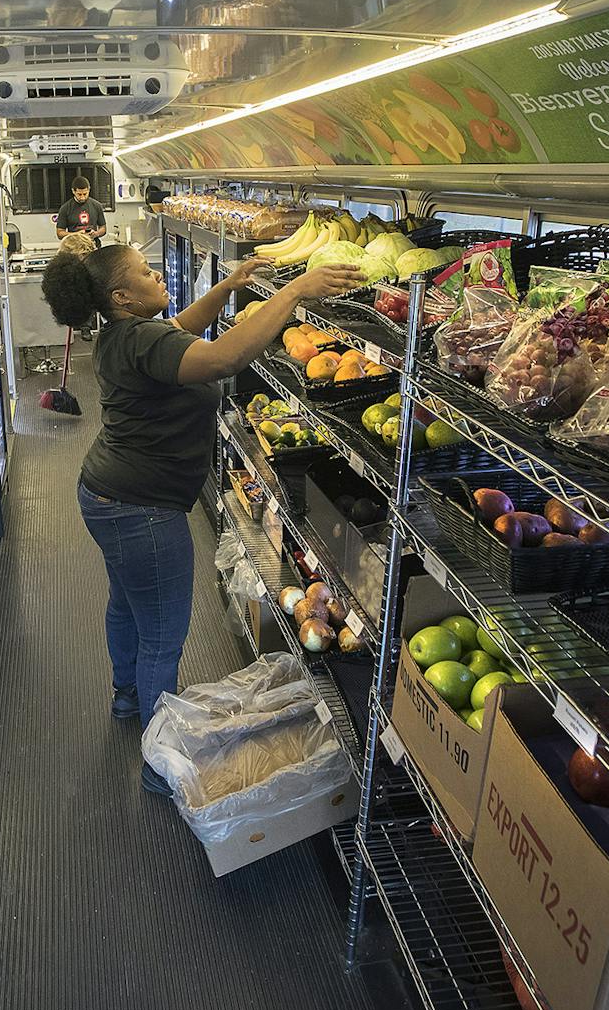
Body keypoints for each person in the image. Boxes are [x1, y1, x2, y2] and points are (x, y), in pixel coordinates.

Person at [40, 245, 366, 793]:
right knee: (164, 638)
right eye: (145, 272)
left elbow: (178, 327)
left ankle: (127, 697)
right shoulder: (142, 338)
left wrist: (228, 285)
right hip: (144, 509)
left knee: (126, 604)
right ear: (121, 297)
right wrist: (293, 292)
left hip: (107, 495)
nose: (158, 272)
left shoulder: (125, 333)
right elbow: (223, 360)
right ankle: (158, 762)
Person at [55, 176, 107, 243]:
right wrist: (76, 235)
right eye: (79, 194)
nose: (82, 197)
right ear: (73, 191)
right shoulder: (65, 208)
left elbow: (103, 228)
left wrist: (96, 233)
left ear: (89, 190)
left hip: (93, 246)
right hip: (74, 248)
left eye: (85, 194)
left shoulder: (97, 206)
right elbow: (60, 233)